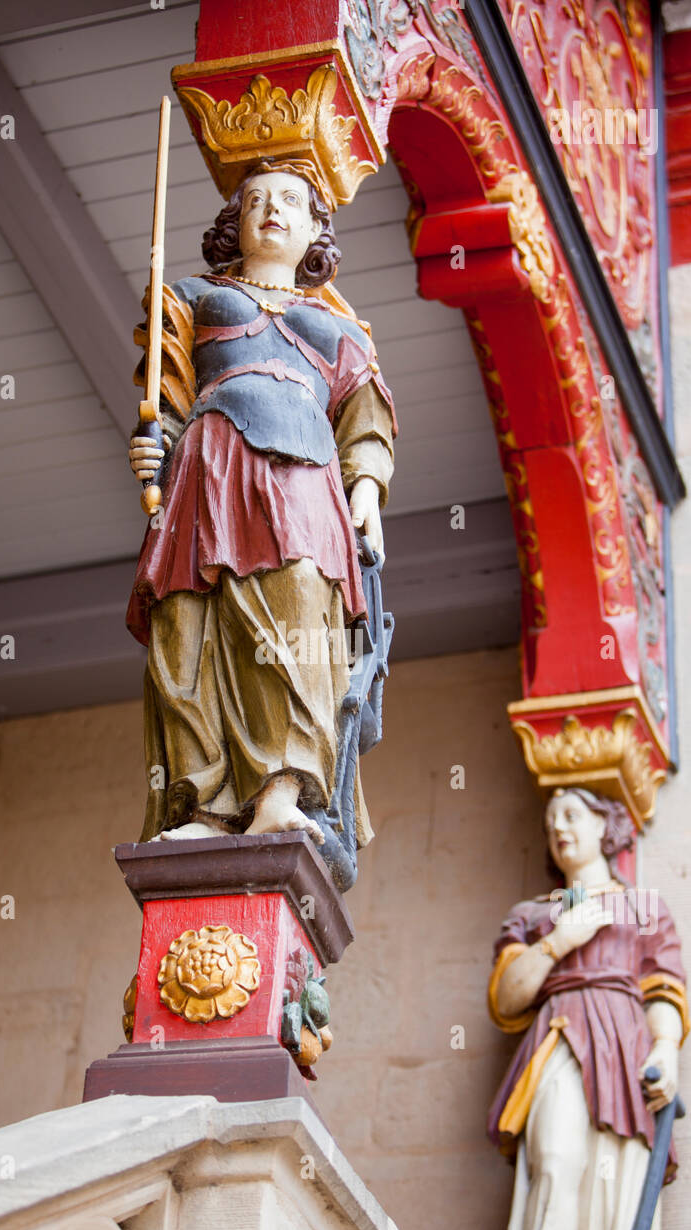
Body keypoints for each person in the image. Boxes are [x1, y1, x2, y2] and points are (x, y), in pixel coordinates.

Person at [126, 159, 396, 848]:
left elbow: (366, 419)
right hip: (208, 469)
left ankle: (280, 791)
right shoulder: (192, 297)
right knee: (188, 623)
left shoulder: (341, 331)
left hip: (302, 475)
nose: (271, 210)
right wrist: (152, 447)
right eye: (255, 200)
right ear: (234, 223)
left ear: (314, 230)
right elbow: (168, 397)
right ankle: (202, 807)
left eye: (289, 202)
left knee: (297, 613)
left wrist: (365, 489)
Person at [486, 787, 689, 1230]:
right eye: (550, 821)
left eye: (572, 815)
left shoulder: (644, 907)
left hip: (623, 1046)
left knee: (613, 1180)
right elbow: (507, 1001)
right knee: (554, 1160)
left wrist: (665, 1047)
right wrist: (561, 939)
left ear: (605, 826)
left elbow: (662, 985)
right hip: (560, 1034)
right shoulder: (533, 915)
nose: (558, 828)